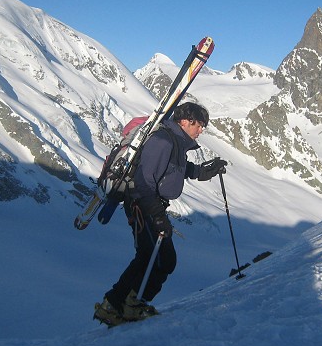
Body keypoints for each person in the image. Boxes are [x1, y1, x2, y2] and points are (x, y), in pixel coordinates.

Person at [94, 102, 227, 326]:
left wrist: (204, 171)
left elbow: (175, 170)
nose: (202, 129)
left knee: (151, 257)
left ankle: (117, 304)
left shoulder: (175, 142)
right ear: (185, 121)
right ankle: (127, 305)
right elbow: (144, 182)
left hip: (149, 205)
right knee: (158, 258)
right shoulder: (163, 141)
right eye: (200, 124)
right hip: (142, 204)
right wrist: (156, 216)